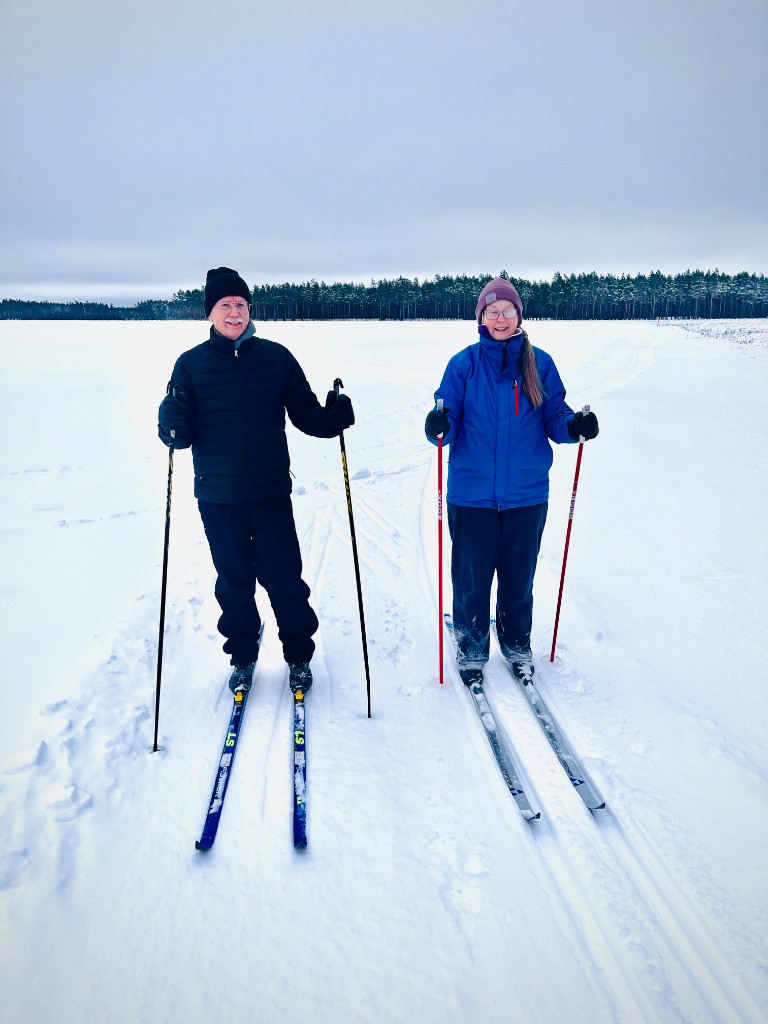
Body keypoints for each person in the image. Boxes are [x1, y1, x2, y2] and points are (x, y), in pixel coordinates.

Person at [158, 267, 354, 695]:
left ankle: (298, 655)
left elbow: (306, 414)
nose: (234, 313)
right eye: (225, 305)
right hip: (217, 497)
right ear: (210, 312)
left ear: (250, 310)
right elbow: (180, 435)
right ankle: (243, 656)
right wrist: (169, 423)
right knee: (233, 583)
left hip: (268, 494)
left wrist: (333, 418)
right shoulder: (190, 365)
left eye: (241, 305)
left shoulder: (276, 358)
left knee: (285, 580)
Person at [424, 277, 599, 686]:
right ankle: (470, 647)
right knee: (471, 578)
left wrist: (576, 426)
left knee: (519, 578)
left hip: (526, 493)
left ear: (519, 315)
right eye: (492, 311)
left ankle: (517, 644)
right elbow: (445, 420)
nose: (500, 318)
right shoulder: (463, 365)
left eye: (507, 310)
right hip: (471, 495)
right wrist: (438, 424)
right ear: (480, 318)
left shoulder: (540, 364)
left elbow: (556, 416)